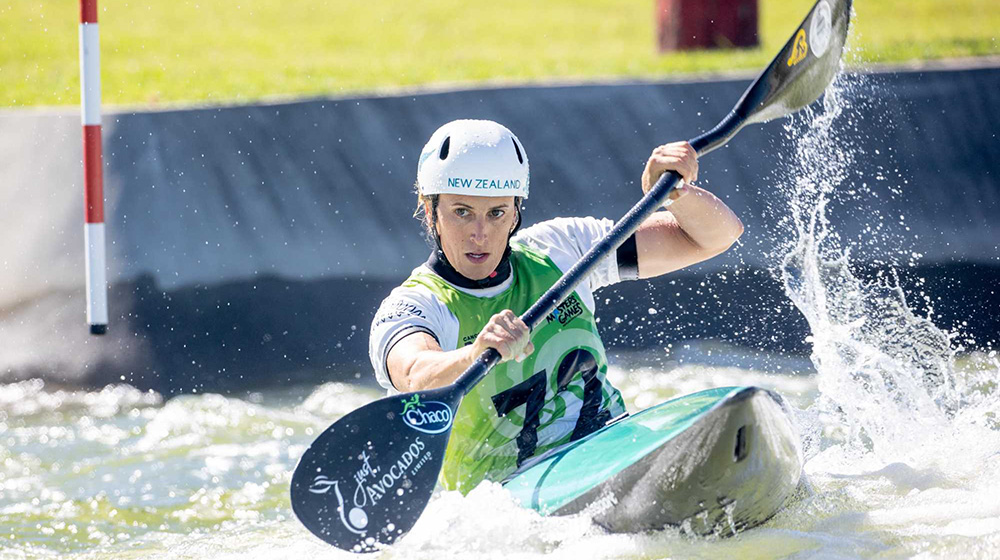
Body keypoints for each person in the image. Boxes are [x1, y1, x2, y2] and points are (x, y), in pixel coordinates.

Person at [369, 119, 744, 492]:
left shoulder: (562, 250)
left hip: (617, 450)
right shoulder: (416, 304)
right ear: (429, 207)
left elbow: (714, 237)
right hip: (512, 501)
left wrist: (676, 194)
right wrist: (474, 354)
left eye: (497, 213)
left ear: (516, 210)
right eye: (461, 212)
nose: (479, 234)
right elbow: (415, 374)